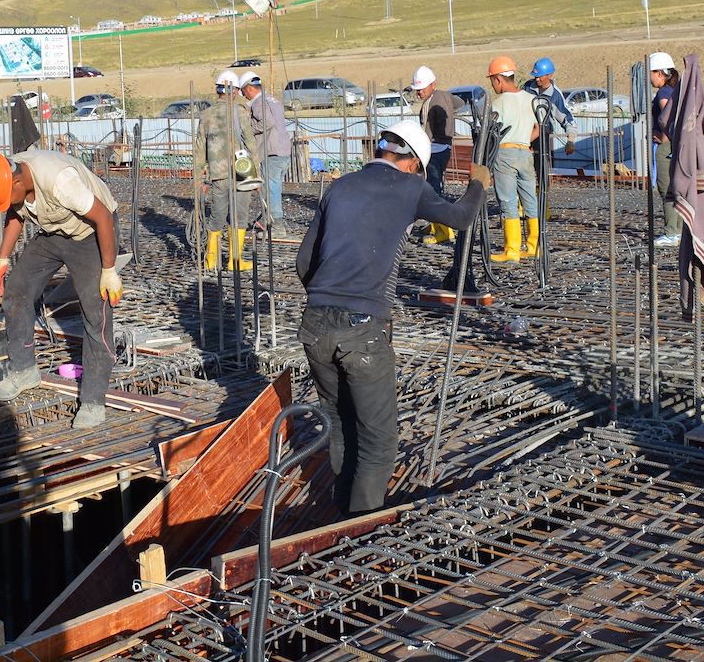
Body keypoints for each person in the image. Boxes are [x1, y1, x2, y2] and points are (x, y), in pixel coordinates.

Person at [296, 120, 489, 514]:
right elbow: (461, 218)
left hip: (314, 325)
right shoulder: (411, 188)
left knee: (341, 425)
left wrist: (329, 297)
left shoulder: (339, 186)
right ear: (414, 163)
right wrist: (478, 184)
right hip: (361, 331)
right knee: (378, 444)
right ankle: (359, 529)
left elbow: (303, 263)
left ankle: (338, 512)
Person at [0, 149, 124, 430]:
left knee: (95, 311)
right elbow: (15, 214)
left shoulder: (61, 181)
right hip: (54, 233)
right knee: (17, 291)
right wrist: (3, 259)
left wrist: (109, 270)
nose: (7, 205)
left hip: (92, 232)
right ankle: (24, 371)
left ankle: (93, 400)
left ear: (17, 183)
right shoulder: (12, 175)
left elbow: (103, 217)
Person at [194, 70, 254, 271]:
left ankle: (211, 260)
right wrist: (257, 174)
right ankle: (235, 261)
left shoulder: (206, 115)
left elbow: (199, 149)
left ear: (217, 90)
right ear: (235, 91)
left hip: (218, 173)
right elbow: (251, 144)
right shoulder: (241, 112)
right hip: (242, 170)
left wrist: (198, 178)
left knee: (217, 216)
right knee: (240, 217)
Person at [485, 56, 540, 263]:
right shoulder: (531, 99)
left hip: (505, 154)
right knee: (530, 201)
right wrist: (523, 140)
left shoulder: (498, 103)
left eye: (493, 81)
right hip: (526, 153)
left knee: (508, 201)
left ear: (498, 79)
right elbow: (538, 128)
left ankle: (512, 251)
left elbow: (490, 134)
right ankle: (534, 247)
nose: (493, 85)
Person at [239, 73, 292, 237]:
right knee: (274, 188)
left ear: (249, 88)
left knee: (270, 190)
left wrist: (247, 130)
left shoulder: (259, 103)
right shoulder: (272, 100)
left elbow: (267, 122)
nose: (243, 96)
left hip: (272, 153)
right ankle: (269, 221)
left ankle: (277, 228)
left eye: (243, 92)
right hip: (283, 151)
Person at [411, 65, 459, 244]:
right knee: (434, 187)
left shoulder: (435, 100)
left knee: (433, 190)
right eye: (417, 89)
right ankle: (435, 225)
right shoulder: (443, 96)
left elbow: (432, 131)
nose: (419, 92)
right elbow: (459, 103)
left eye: (421, 88)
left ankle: (444, 231)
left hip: (435, 149)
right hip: (440, 147)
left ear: (432, 84)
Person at [649, 52, 682, 246]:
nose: (650, 78)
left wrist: (665, 136)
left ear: (660, 74)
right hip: (675, 145)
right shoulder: (674, 90)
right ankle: (680, 231)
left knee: (667, 189)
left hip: (665, 147)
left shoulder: (663, 94)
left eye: (651, 74)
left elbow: (669, 118)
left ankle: (672, 232)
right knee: (677, 189)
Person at [523, 57, 576, 165]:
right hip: (525, 133)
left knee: (542, 167)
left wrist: (570, 140)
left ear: (549, 75)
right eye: (535, 76)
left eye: (540, 76)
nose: (537, 79)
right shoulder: (527, 87)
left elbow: (568, 120)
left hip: (543, 137)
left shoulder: (555, 96)